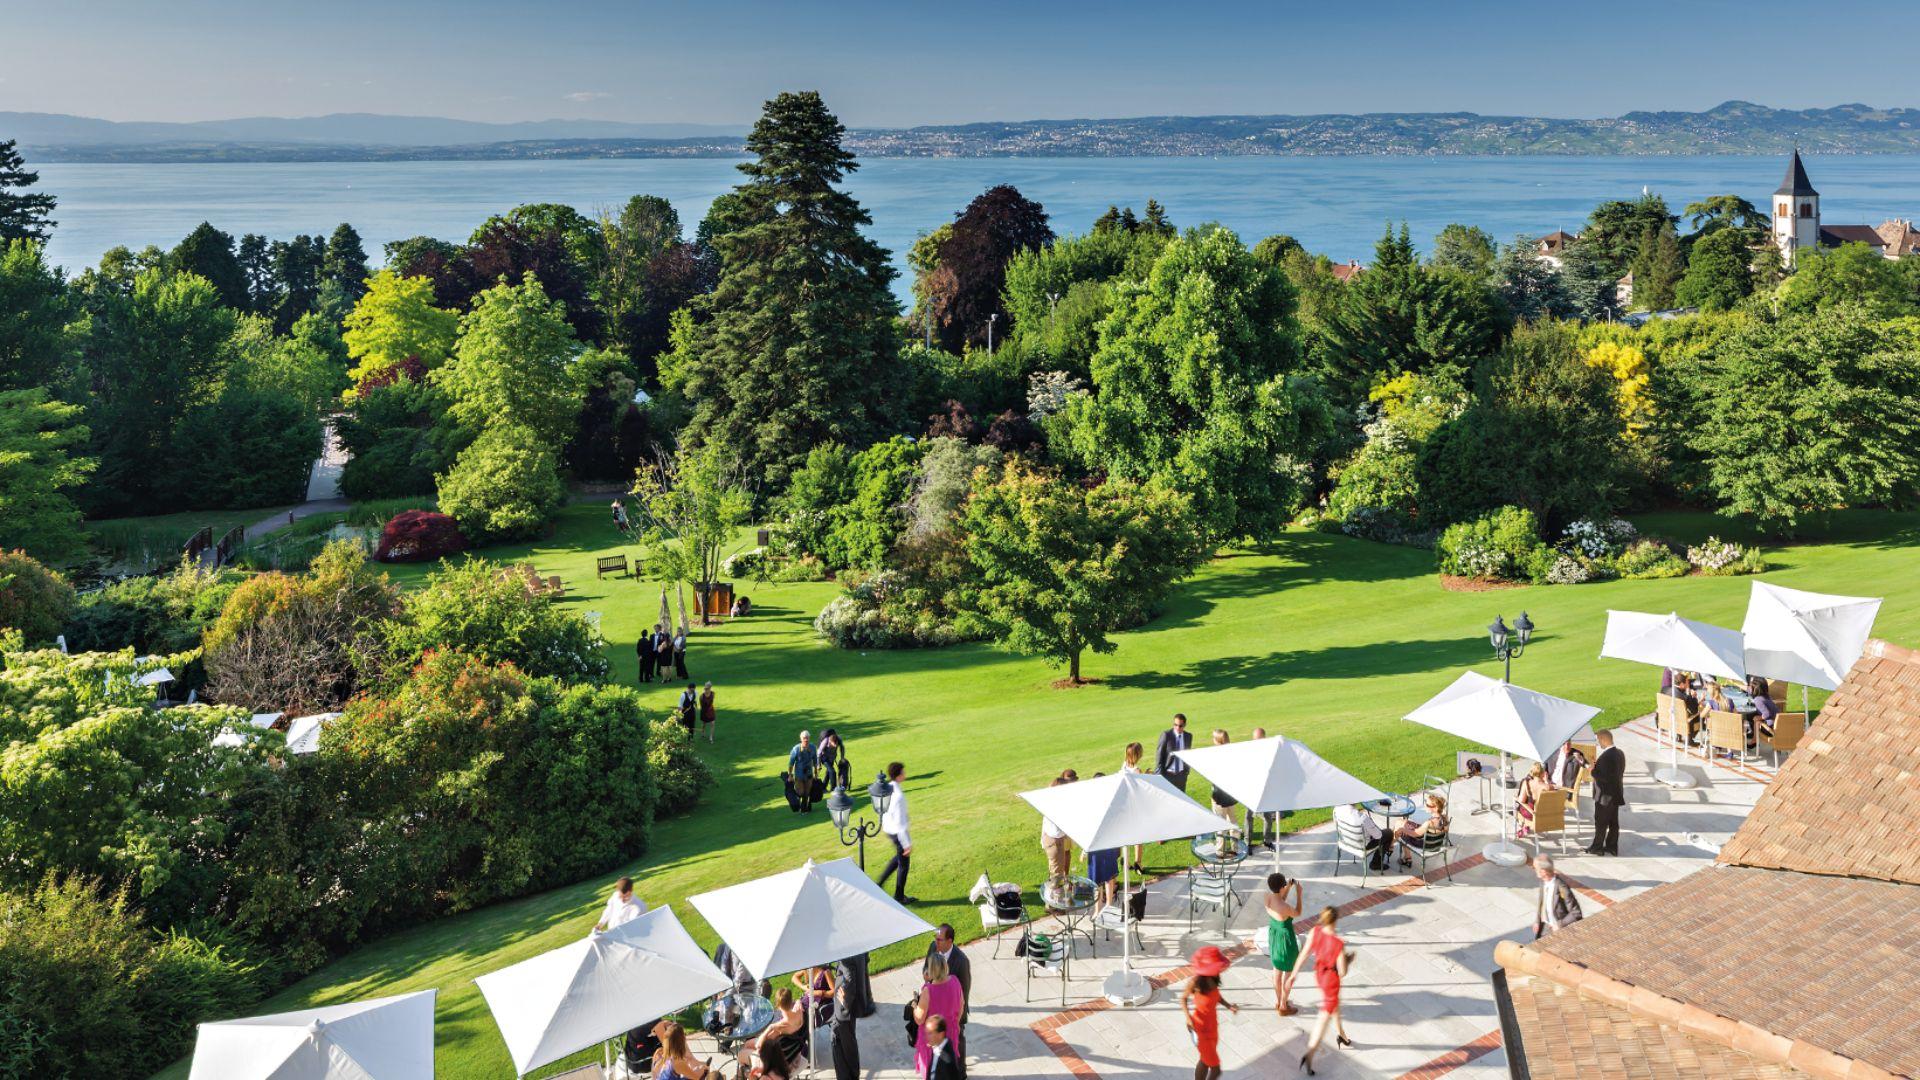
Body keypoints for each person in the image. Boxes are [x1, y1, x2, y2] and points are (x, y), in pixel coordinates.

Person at [1293, 907, 1353, 1075]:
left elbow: (1304, 954)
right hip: (1331, 982)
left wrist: (1294, 974)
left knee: (1335, 1006)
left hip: (1319, 975)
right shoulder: (1338, 943)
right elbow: (1342, 972)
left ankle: (1342, 1035)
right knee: (1322, 1022)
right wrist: (1345, 958)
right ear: (1335, 920)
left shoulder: (1315, 931)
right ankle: (1310, 1054)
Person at [1181, 946, 1238, 1080]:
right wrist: (1188, 1018)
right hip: (1200, 1028)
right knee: (1216, 1069)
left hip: (1212, 1026)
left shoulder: (1214, 978)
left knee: (1205, 1060)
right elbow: (1183, 998)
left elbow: (1216, 996)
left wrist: (1228, 1006)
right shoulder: (1195, 982)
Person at [913, 951, 964, 1078]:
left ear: (930, 970)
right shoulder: (955, 981)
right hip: (950, 1033)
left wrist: (914, 1006)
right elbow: (961, 1005)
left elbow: (919, 1019)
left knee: (933, 1070)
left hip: (933, 1036)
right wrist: (955, 1022)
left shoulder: (928, 991)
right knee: (948, 1069)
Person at [738, 987, 806, 1079]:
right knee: (748, 1044)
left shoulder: (779, 1028)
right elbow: (799, 1001)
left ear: (778, 1005)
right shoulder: (800, 1012)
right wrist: (798, 1001)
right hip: (792, 1053)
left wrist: (769, 1028)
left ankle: (745, 1073)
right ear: (791, 1001)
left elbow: (759, 1045)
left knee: (741, 1053)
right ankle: (745, 1072)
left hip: (775, 1061)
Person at [925, 924, 970, 1054]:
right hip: (936, 1007)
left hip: (952, 1013)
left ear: (950, 941)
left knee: (957, 1042)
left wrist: (959, 1020)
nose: (936, 942)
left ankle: (960, 1066)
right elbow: (926, 968)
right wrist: (927, 975)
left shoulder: (961, 961)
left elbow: (964, 991)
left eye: (939, 939)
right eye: (935, 938)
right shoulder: (933, 947)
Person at [1265, 872, 1303, 1016]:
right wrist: (1299, 894)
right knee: (1288, 974)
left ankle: (1279, 1000)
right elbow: (1297, 912)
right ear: (1282, 887)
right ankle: (1283, 1006)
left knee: (1276, 971)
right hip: (1286, 942)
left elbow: (1279, 900)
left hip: (1274, 937)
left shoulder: (1267, 898)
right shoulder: (1285, 907)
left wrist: (1288, 888)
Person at [877, 761, 916, 903]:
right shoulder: (898, 796)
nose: (905, 774)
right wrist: (907, 844)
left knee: (898, 858)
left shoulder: (889, 788)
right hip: (897, 832)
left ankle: (879, 883)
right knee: (904, 865)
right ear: (899, 775)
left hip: (889, 829)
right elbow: (900, 823)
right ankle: (899, 896)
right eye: (903, 772)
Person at [1586, 729, 1627, 856]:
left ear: (1604, 739)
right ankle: (1612, 847)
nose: (1598, 743)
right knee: (1614, 823)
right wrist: (1597, 766)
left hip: (1605, 797)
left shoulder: (1606, 757)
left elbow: (1603, 777)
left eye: (1599, 740)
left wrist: (1592, 770)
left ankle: (1597, 848)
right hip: (1616, 794)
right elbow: (1615, 773)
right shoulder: (1619, 753)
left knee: (1601, 823)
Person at [1533, 854, 1584, 938]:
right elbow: (1541, 903)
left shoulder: (1561, 887)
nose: (1534, 870)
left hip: (1558, 931)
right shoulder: (1543, 882)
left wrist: (1559, 925)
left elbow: (1576, 913)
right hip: (1544, 928)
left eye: (1536, 868)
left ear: (1543, 871)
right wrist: (1537, 921)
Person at [1395, 794, 1449, 868]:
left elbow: (1415, 834)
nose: (1425, 806)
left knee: (1400, 830)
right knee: (1401, 822)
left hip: (1425, 845)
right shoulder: (1445, 818)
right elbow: (1443, 830)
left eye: (1428, 805)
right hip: (1436, 845)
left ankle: (1405, 857)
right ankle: (1396, 851)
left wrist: (1402, 829)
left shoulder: (1429, 823)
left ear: (1436, 808)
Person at [1333, 801, 1391, 871]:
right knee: (1388, 833)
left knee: (1375, 831)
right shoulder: (1362, 817)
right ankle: (1376, 864)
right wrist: (1371, 824)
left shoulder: (1336, 809)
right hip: (1361, 844)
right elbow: (1378, 836)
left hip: (1346, 840)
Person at [1246, 726, 1277, 849]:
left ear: (1264, 738)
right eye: (1255, 739)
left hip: (1265, 789)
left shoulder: (1269, 751)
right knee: (1248, 817)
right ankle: (1248, 842)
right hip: (1251, 789)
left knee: (1268, 817)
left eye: (1259, 738)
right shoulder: (1249, 751)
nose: (1256, 741)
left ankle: (1267, 841)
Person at [1040, 776, 1074, 884]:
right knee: (1056, 877)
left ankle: (1054, 889)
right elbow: (1056, 832)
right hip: (1055, 841)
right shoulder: (1055, 805)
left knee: (1055, 872)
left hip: (1050, 840)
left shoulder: (1050, 801)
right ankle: (1055, 892)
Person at [827, 972, 859, 1080]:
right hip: (840, 1016)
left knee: (846, 1049)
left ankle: (851, 1075)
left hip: (843, 1017)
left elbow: (850, 976)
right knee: (841, 1048)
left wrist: (846, 1002)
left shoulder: (827, 971)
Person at [1206, 729, 1240, 827]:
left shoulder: (1215, 755)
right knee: (1233, 820)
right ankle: (1235, 837)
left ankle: (1222, 838)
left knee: (1220, 823)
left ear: (1217, 740)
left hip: (1219, 794)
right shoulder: (1232, 752)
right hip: (1231, 794)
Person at [1122, 741, 1147, 872]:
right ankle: (1138, 862)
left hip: (1125, 805)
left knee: (1126, 835)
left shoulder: (1124, 766)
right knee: (1139, 836)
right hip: (1135, 806)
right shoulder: (1137, 770)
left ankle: (1126, 862)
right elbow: (1141, 788)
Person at [1156, 713, 1194, 792]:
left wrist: (1186, 772)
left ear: (1185, 725)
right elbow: (1159, 755)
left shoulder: (1188, 736)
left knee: (1181, 798)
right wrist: (1159, 775)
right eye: (1175, 725)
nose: (1177, 728)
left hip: (1181, 776)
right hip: (1168, 775)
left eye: (1180, 726)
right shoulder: (1166, 735)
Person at [791, 965, 836, 1030]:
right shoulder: (807, 969)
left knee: (797, 1020)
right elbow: (794, 977)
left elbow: (834, 992)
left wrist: (820, 993)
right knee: (791, 1014)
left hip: (818, 1004)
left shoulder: (825, 971)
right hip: (806, 1001)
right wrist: (803, 986)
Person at [921, 1015, 963, 1080]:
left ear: (941, 1034)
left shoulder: (947, 1056)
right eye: (926, 1033)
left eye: (930, 1033)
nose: (926, 1036)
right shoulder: (937, 1046)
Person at [787, 731, 819, 813]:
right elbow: (791, 764)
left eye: (807, 738)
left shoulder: (813, 747)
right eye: (804, 738)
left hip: (809, 774)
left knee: (807, 792)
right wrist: (790, 775)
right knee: (801, 792)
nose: (806, 740)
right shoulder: (796, 749)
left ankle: (804, 808)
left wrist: (816, 773)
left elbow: (815, 761)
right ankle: (798, 803)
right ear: (801, 739)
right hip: (799, 775)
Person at [1514, 762, 1548, 838]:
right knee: (1527, 803)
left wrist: (1516, 798)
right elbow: (1550, 788)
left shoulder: (1527, 783)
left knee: (1520, 804)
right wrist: (1546, 781)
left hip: (1532, 814)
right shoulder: (1547, 787)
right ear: (1543, 774)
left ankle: (1522, 826)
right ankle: (1525, 826)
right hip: (1545, 814)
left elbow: (1521, 801)